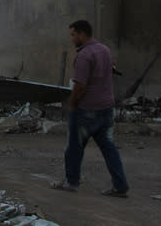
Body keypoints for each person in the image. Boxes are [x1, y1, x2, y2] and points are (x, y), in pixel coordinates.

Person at [52, 19, 129, 197]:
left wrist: (72, 105)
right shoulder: (105, 50)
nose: (72, 39)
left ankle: (71, 182)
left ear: (82, 34)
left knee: (74, 148)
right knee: (109, 148)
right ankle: (120, 184)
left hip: (87, 110)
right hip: (107, 108)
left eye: (73, 35)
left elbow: (80, 86)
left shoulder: (84, 55)